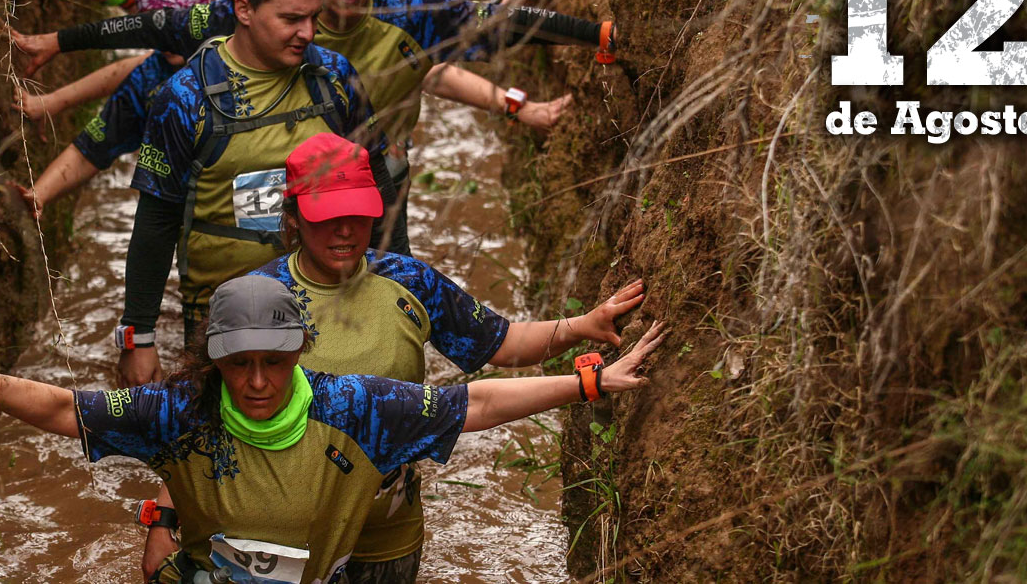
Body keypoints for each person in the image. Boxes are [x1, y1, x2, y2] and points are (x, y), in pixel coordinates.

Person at [135, 132, 652, 581]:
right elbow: (199, 419)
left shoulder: (409, 282)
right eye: (327, 217)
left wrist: (583, 325)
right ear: (291, 218)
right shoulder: (256, 300)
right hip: (278, 532)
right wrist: (163, 519)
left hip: (389, 531)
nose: (344, 231)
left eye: (357, 216)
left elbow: (501, 342)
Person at [0, 274, 666, 583]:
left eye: (273, 363)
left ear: (299, 352)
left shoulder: (357, 408)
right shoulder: (178, 412)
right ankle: (163, 526)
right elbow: (59, 407)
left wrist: (588, 379)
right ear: (212, 363)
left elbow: (474, 405)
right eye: (238, 366)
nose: (257, 382)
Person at [0, 0, 616, 247]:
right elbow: (157, 32)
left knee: (383, 292)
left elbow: (504, 23)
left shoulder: (411, 14)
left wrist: (596, 37)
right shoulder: (260, 16)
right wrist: (58, 40)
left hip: (375, 173)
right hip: (274, 177)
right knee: (260, 286)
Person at [115, 0, 396, 388]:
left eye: (313, 16)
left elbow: (378, 186)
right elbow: (156, 221)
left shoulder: (334, 78)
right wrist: (138, 338)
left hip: (328, 306)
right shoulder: (186, 98)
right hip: (224, 321)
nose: (308, 32)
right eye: (290, 19)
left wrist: (399, 288)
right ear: (243, 10)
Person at [0, 0, 221, 220]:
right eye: (156, 28)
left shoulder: (245, 48)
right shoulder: (150, 80)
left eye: (174, 27)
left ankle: (52, 102)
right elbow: (91, 148)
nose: (165, 41)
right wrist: (38, 195)